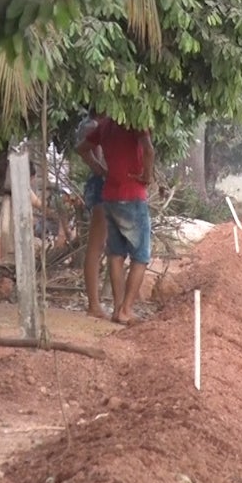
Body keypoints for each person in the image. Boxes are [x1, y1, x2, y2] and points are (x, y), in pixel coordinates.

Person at [77, 116, 154, 325]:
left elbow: (82, 148)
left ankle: (118, 308)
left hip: (109, 195)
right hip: (132, 194)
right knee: (141, 256)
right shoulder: (137, 121)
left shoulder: (104, 125)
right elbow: (149, 150)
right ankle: (126, 309)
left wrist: (102, 170)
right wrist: (147, 175)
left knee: (116, 253)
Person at [76, 113, 109, 319]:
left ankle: (96, 302)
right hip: (101, 186)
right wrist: (100, 169)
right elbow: (84, 151)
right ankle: (94, 304)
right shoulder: (93, 125)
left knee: (99, 246)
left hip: (98, 184)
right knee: (96, 246)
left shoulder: (89, 123)